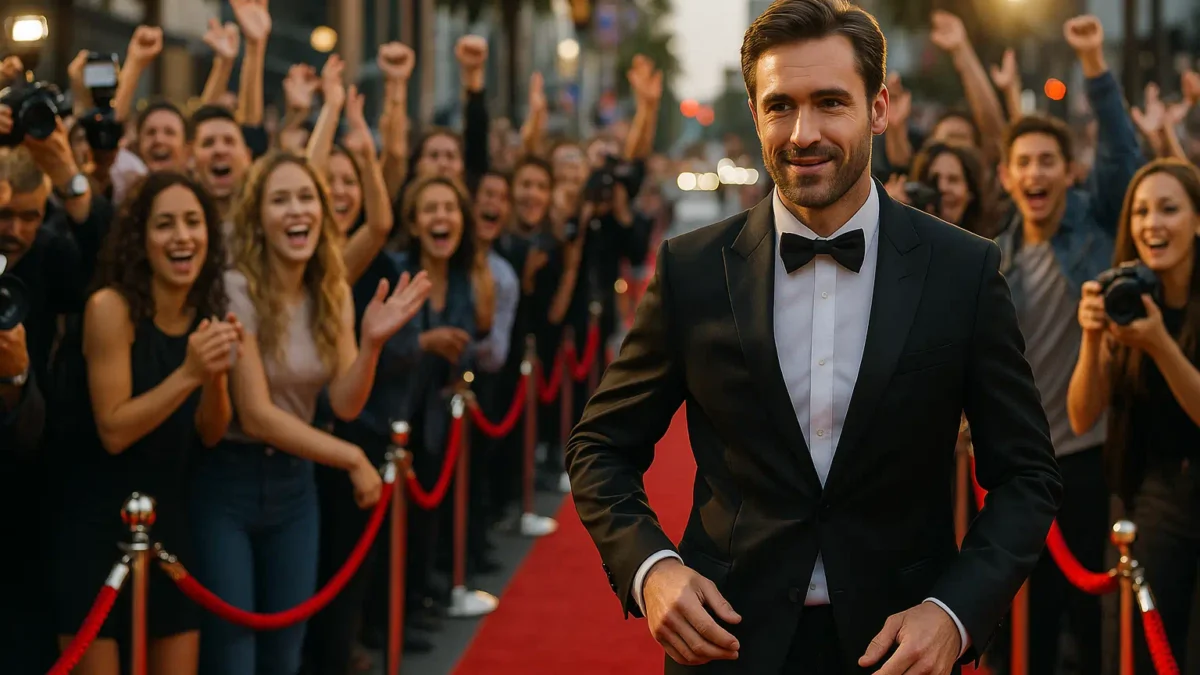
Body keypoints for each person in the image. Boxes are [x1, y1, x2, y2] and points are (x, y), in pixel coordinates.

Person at [564, 1, 1063, 673]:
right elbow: (600, 446)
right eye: (781, 105)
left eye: (831, 102)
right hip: (725, 643)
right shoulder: (692, 271)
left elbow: (1026, 474)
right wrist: (652, 570)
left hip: (901, 649)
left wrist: (954, 611)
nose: (804, 132)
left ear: (878, 108)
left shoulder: (963, 271)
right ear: (755, 111)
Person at [52, 172, 241, 675]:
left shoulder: (207, 309)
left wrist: (217, 376)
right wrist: (190, 373)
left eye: (193, 222)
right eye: (165, 224)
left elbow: (211, 432)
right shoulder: (109, 308)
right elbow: (113, 430)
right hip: (96, 529)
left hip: (170, 524)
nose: (182, 236)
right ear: (140, 240)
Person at [1067, 158, 1200, 674]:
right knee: (1145, 651)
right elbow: (1081, 416)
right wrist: (1093, 335)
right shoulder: (1121, 295)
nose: (1152, 224)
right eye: (1141, 212)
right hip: (1151, 498)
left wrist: (1159, 343)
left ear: (1196, 220)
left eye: (1169, 209)